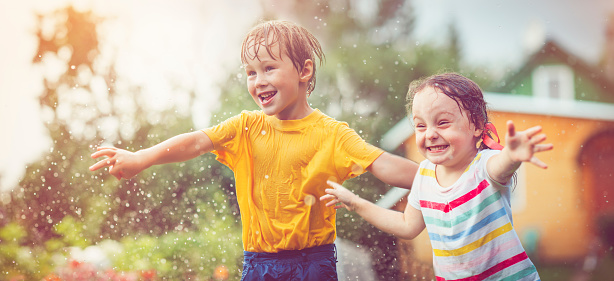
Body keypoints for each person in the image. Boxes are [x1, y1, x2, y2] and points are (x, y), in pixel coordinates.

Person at [89, 20, 418, 281]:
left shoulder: (331, 134)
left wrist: (443, 176)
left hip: (313, 265)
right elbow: (195, 142)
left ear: (304, 71)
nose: (258, 80)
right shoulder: (245, 127)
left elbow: (381, 165)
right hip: (259, 265)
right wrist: (141, 157)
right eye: (250, 72)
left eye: (269, 68)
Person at [321, 73, 553, 280]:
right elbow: (406, 225)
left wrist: (512, 155)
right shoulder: (424, 176)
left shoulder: (483, 166)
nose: (430, 134)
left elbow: (501, 166)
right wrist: (356, 203)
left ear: (477, 126)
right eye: (420, 126)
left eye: (442, 123)